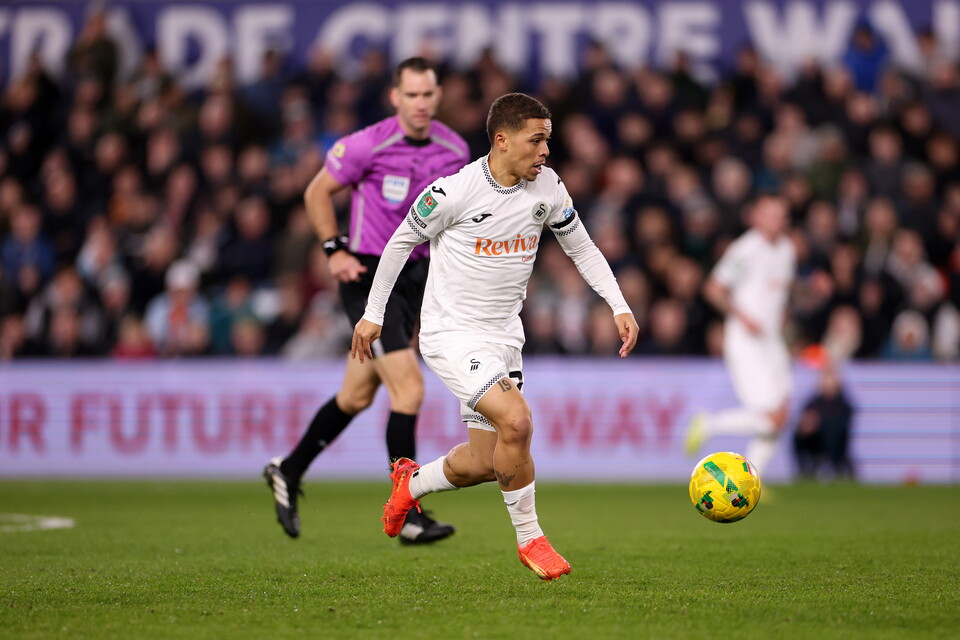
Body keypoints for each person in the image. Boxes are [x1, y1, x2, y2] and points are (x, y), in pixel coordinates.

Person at [351, 93, 639, 580]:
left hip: (505, 337)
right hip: (451, 334)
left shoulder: (548, 187)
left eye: (548, 139)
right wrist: (372, 312)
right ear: (502, 141)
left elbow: (583, 248)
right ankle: (532, 540)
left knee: (484, 462)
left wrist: (619, 304)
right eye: (537, 140)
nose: (546, 150)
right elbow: (401, 240)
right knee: (518, 422)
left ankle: (410, 485)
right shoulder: (454, 192)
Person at [264, 58, 469, 544]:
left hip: (416, 279)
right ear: (394, 97)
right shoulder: (366, 144)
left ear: (438, 97)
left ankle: (287, 471)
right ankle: (410, 514)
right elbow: (317, 192)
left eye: (428, 95)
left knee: (356, 396)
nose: (421, 104)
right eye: (412, 95)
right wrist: (333, 250)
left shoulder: (453, 148)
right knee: (410, 391)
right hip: (368, 280)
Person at [685, 194, 796, 477]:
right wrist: (743, 316)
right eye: (769, 214)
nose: (776, 220)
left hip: (772, 340)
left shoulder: (787, 250)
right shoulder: (745, 249)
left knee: (781, 415)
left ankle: (752, 479)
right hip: (745, 342)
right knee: (770, 419)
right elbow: (713, 289)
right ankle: (709, 424)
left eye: (780, 214)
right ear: (755, 217)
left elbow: (781, 292)